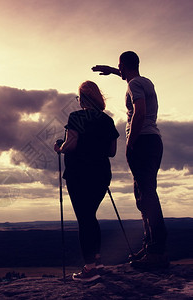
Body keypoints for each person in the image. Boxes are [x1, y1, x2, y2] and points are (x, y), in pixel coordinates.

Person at [92, 51, 169, 269]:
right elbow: (129, 76)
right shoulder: (145, 81)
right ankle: (150, 246)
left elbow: (140, 112)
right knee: (144, 195)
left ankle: (157, 251)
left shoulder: (134, 86)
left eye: (120, 67)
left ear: (125, 66)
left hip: (142, 141)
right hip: (153, 141)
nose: (120, 72)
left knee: (147, 196)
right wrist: (113, 70)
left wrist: (130, 142)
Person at [54, 80, 119, 282]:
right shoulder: (108, 121)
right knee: (90, 216)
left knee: (85, 219)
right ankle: (98, 261)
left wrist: (60, 147)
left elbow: (71, 145)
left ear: (82, 99)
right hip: (101, 174)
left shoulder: (76, 117)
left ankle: (90, 269)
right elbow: (112, 151)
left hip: (79, 174)